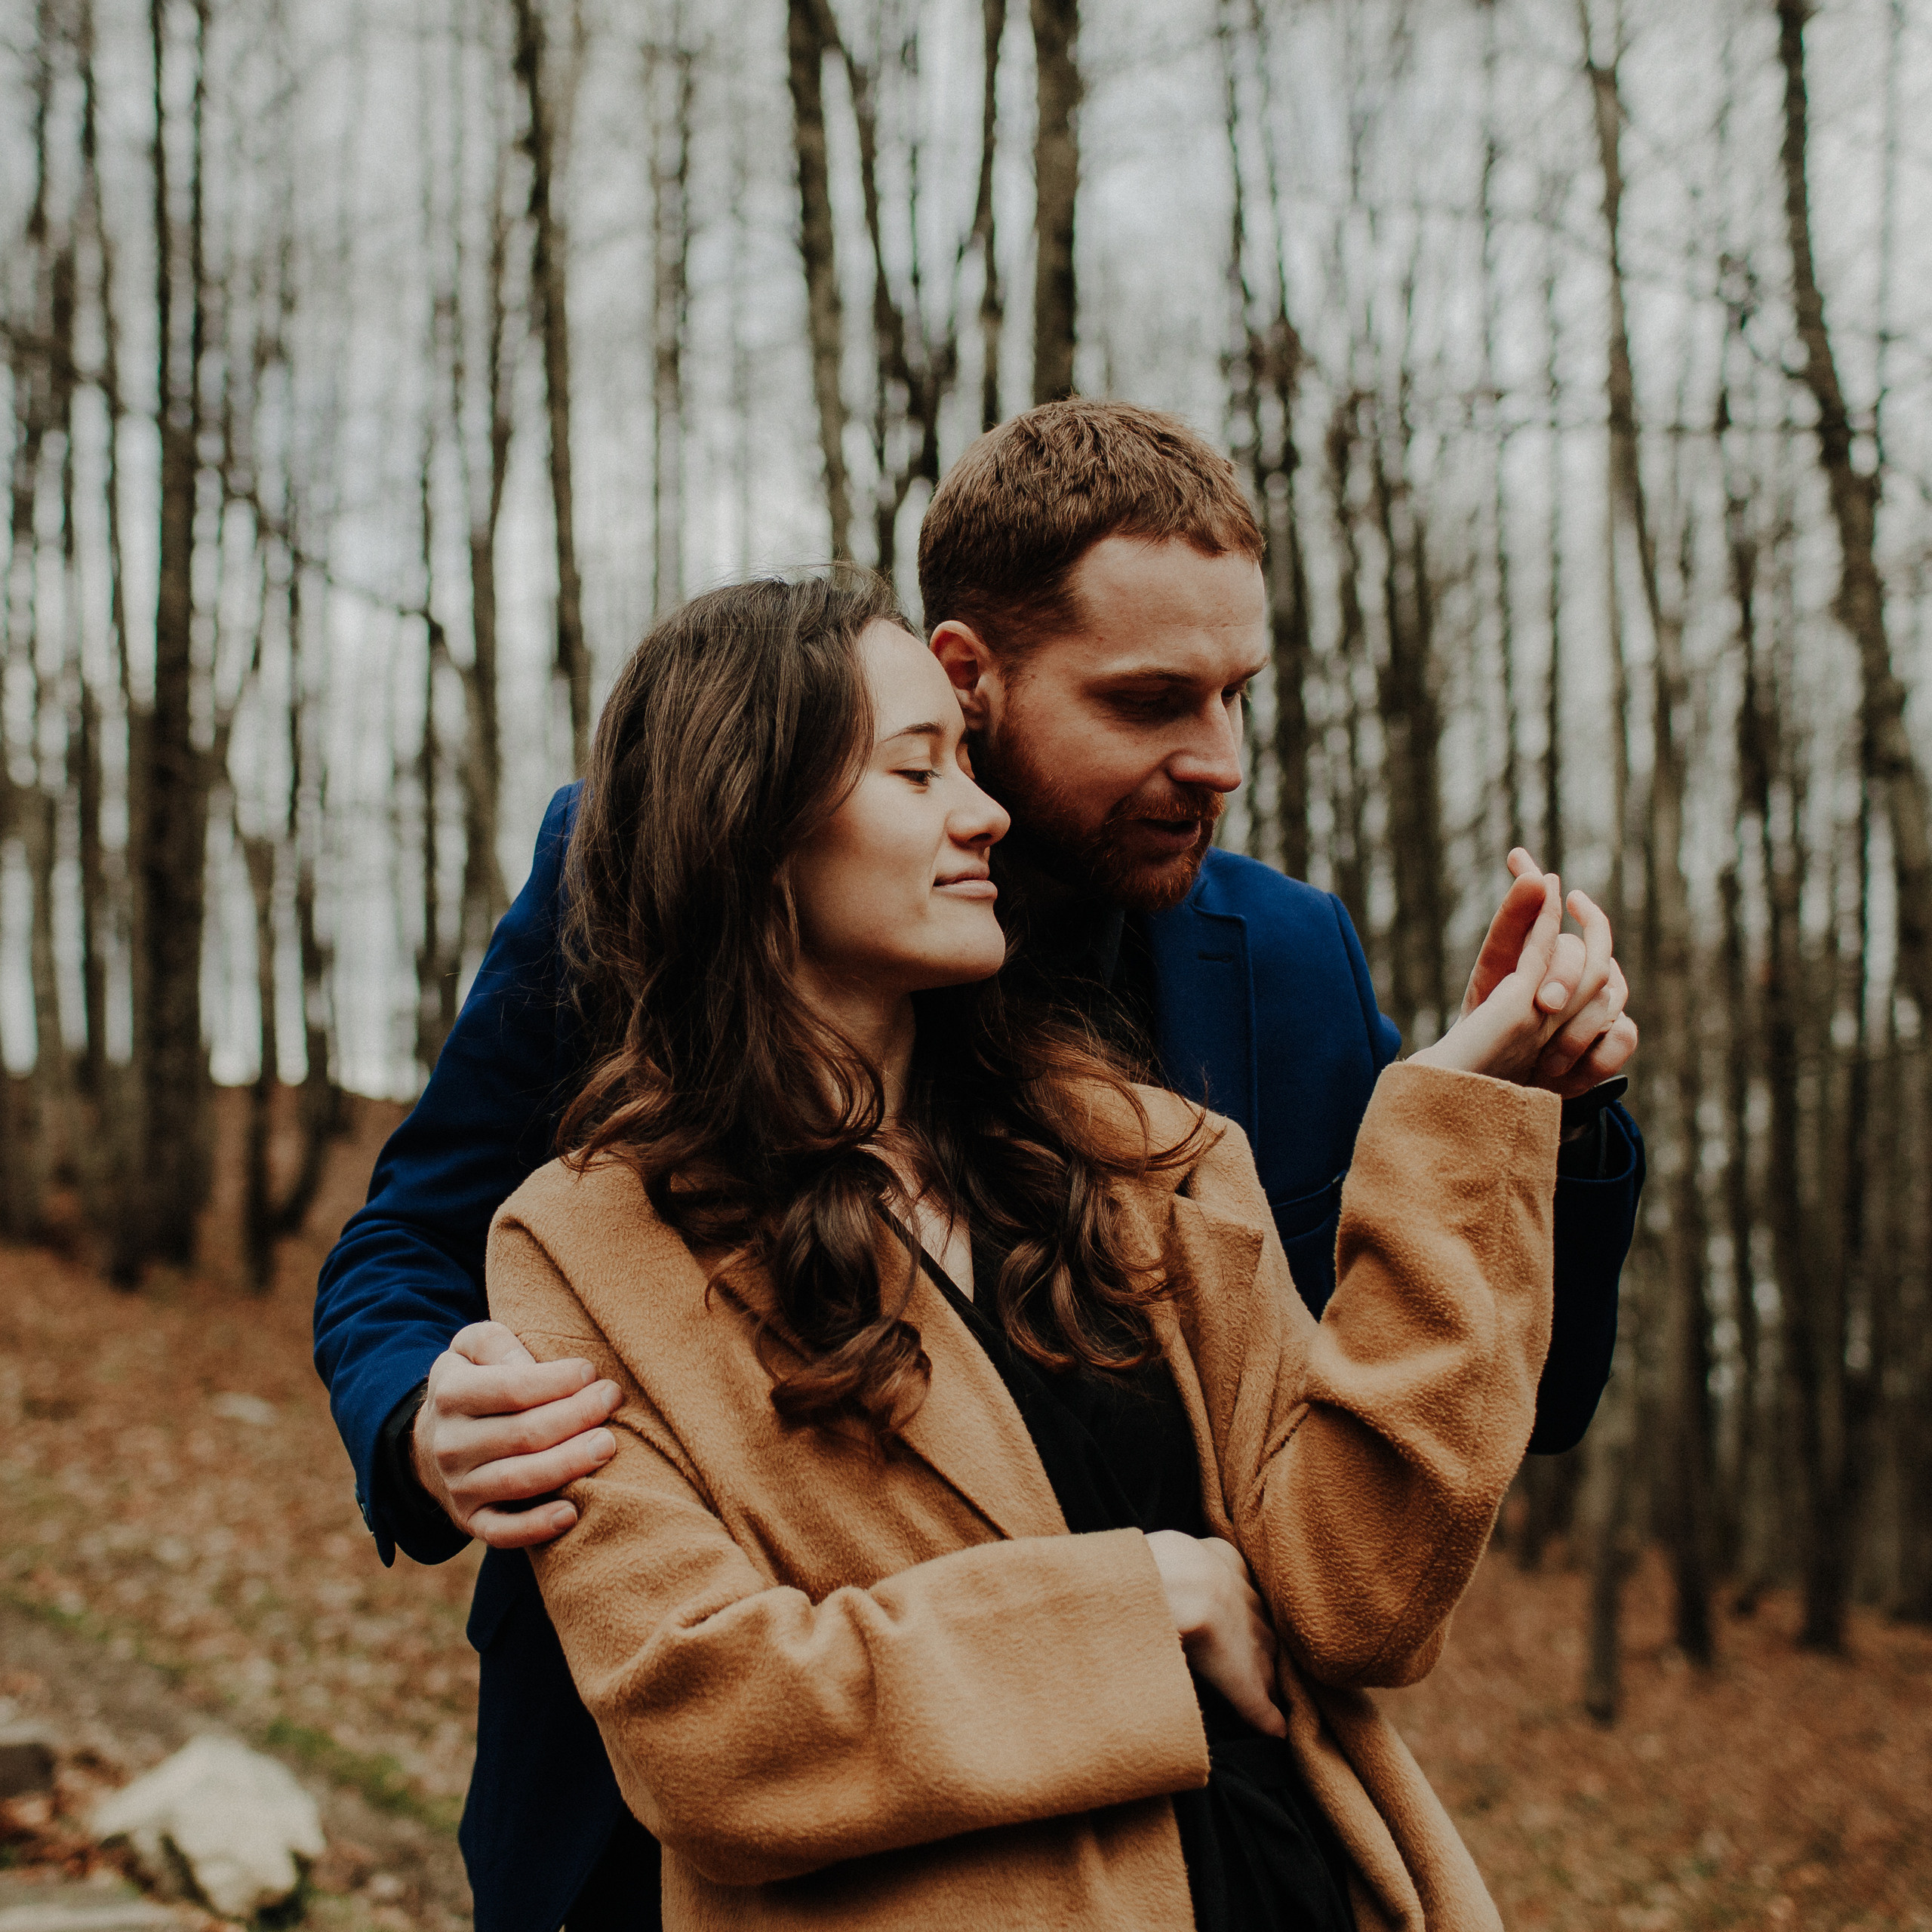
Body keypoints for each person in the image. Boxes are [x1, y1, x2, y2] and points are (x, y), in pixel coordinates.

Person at [313, 401, 1641, 1932]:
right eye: (1147, 701)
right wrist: (431, 1422)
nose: (1216, 760)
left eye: (1237, 695)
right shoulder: (643, 870)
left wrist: (1540, 1111)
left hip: (1232, 1849)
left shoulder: (1268, 986)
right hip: (718, 1857)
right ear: (969, 673)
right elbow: (418, 1239)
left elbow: (1476, 1414)